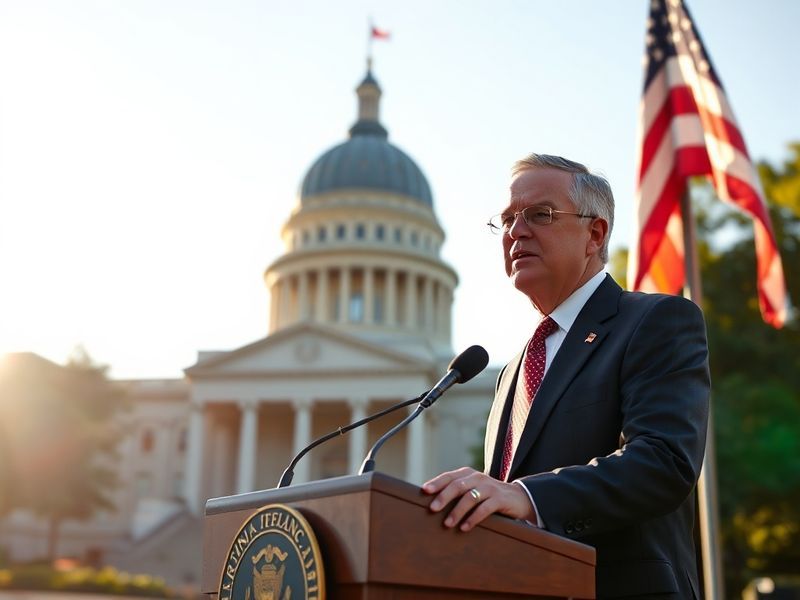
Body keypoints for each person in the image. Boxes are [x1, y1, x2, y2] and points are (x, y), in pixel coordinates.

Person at [423, 153, 710, 599]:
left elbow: (663, 463)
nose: (516, 232)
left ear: (594, 234)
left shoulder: (656, 321)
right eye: (507, 220)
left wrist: (528, 496)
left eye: (540, 214)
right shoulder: (510, 371)